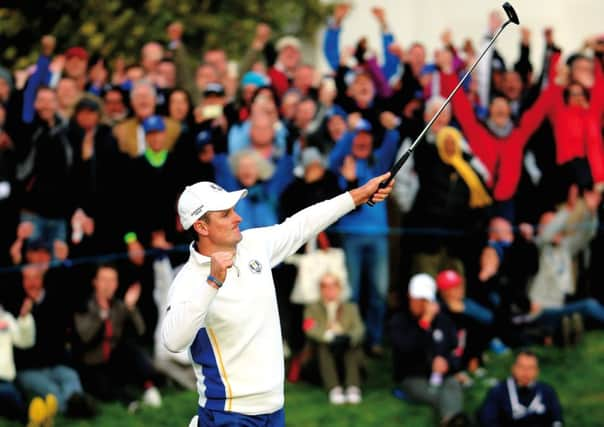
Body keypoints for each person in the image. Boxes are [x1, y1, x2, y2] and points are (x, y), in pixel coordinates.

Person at [161, 171, 394, 427]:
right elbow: (173, 341)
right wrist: (212, 283)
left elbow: (303, 223)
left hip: (274, 409)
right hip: (228, 414)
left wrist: (361, 194)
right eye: (225, 214)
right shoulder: (189, 280)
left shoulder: (254, 244)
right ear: (201, 227)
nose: (238, 217)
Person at [73, 264, 162, 408]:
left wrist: (130, 308)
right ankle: (129, 401)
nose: (108, 285)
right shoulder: (85, 306)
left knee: (132, 348)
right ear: (95, 282)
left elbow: (141, 330)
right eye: (104, 280)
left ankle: (150, 386)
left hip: (114, 360)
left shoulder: (118, 306)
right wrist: (102, 314)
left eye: (112, 280)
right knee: (103, 385)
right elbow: (85, 337)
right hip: (93, 363)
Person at [389, 273, 468, 427]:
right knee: (442, 395)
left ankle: (450, 421)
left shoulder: (443, 321)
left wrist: (447, 363)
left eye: (424, 300)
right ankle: (454, 420)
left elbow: (456, 351)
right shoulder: (399, 321)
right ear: (410, 297)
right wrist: (424, 324)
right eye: (417, 299)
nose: (420, 304)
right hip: (413, 376)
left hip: (443, 375)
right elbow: (405, 349)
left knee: (453, 384)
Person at [303, 272, 365, 405]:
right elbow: (309, 328)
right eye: (324, 286)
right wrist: (328, 336)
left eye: (333, 285)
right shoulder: (312, 308)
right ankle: (334, 388)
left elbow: (359, 329)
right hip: (321, 357)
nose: (329, 289)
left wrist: (348, 337)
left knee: (351, 344)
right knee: (323, 346)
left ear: (339, 288)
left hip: (346, 354)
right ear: (320, 289)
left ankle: (352, 387)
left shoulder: (350, 308)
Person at [478, 350, 563, 426]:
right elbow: (488, 421)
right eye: (521, 367)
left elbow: (557, 419)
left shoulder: (547, 391)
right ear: (514, 368)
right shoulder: (498, 391)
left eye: (530, 368)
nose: (525, 372)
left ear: (537, 371)